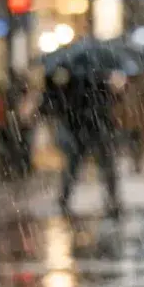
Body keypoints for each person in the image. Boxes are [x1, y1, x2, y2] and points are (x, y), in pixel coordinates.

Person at [42, 68, 122, 218]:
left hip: (86, 128)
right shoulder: (94, 79)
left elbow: (66, 103)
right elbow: (106, 102)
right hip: (88, 128)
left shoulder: (76, 79)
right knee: (92, 165)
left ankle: (66, 198)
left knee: (80, 166)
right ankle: (110, 199)